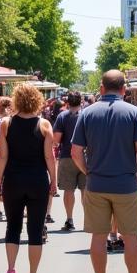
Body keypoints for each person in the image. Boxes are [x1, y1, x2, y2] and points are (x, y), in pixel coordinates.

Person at [70, 70, 137, 273]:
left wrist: (88, 171)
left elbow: (75, 152)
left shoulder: (87, 113)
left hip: (96, 184)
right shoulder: (134, 113)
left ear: (101, 88)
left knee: (98, 236)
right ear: (124, 89)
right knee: (131, 237)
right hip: (126, 184)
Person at [0, 83, 57, 273]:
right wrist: (54, 181)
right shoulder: (44, 125)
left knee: (12, 226)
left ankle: (11, 269)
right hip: (37, 180)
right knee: (35, 229)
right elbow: (50, 156)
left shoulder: (6, 123)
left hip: (13, 180)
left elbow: (2, 156)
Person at [52, 91, 85, 231]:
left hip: (67, 156)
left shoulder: (62, 117)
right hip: (85, 157)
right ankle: (88, 219)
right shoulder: (86, 115)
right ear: (81, 101)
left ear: (67, 102)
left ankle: (70, 219)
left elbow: (56, 140)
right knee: (86, 190)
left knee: (68, 190)